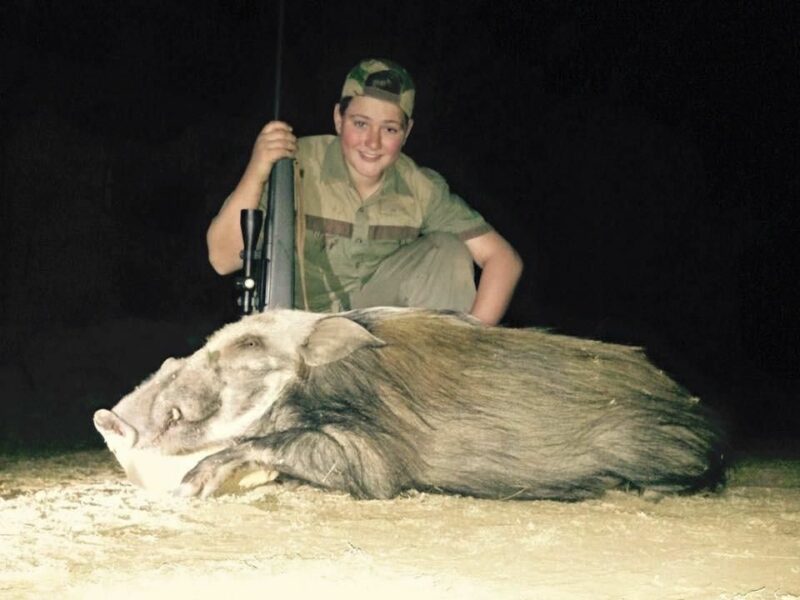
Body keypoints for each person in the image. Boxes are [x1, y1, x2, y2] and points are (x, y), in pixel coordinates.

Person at [207, 58, 522, 325]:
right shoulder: (292, 164)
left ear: (407, 132)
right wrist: (258, 167)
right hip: (300, 334)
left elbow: (503, 260)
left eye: (389, 129)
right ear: (338, 119)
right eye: (360, 124)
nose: (372, 143)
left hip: (376, 340)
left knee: (448, 251)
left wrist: (472, 342)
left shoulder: (421, 188)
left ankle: (438, 380)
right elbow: (222, 259)